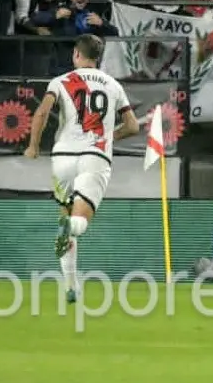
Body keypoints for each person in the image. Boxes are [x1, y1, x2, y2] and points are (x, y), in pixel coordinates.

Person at [24, 34, 141, 303]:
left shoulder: (60, 81)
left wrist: (33, 146)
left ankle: (71, 286)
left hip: (62, 157)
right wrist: (108, 137)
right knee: (79, 222)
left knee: (65, 214)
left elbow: (41, 112)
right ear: (97, 57)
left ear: (76, 54)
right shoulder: (113, 85)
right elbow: (133, 125)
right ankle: (70, 228)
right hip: (94, 156)